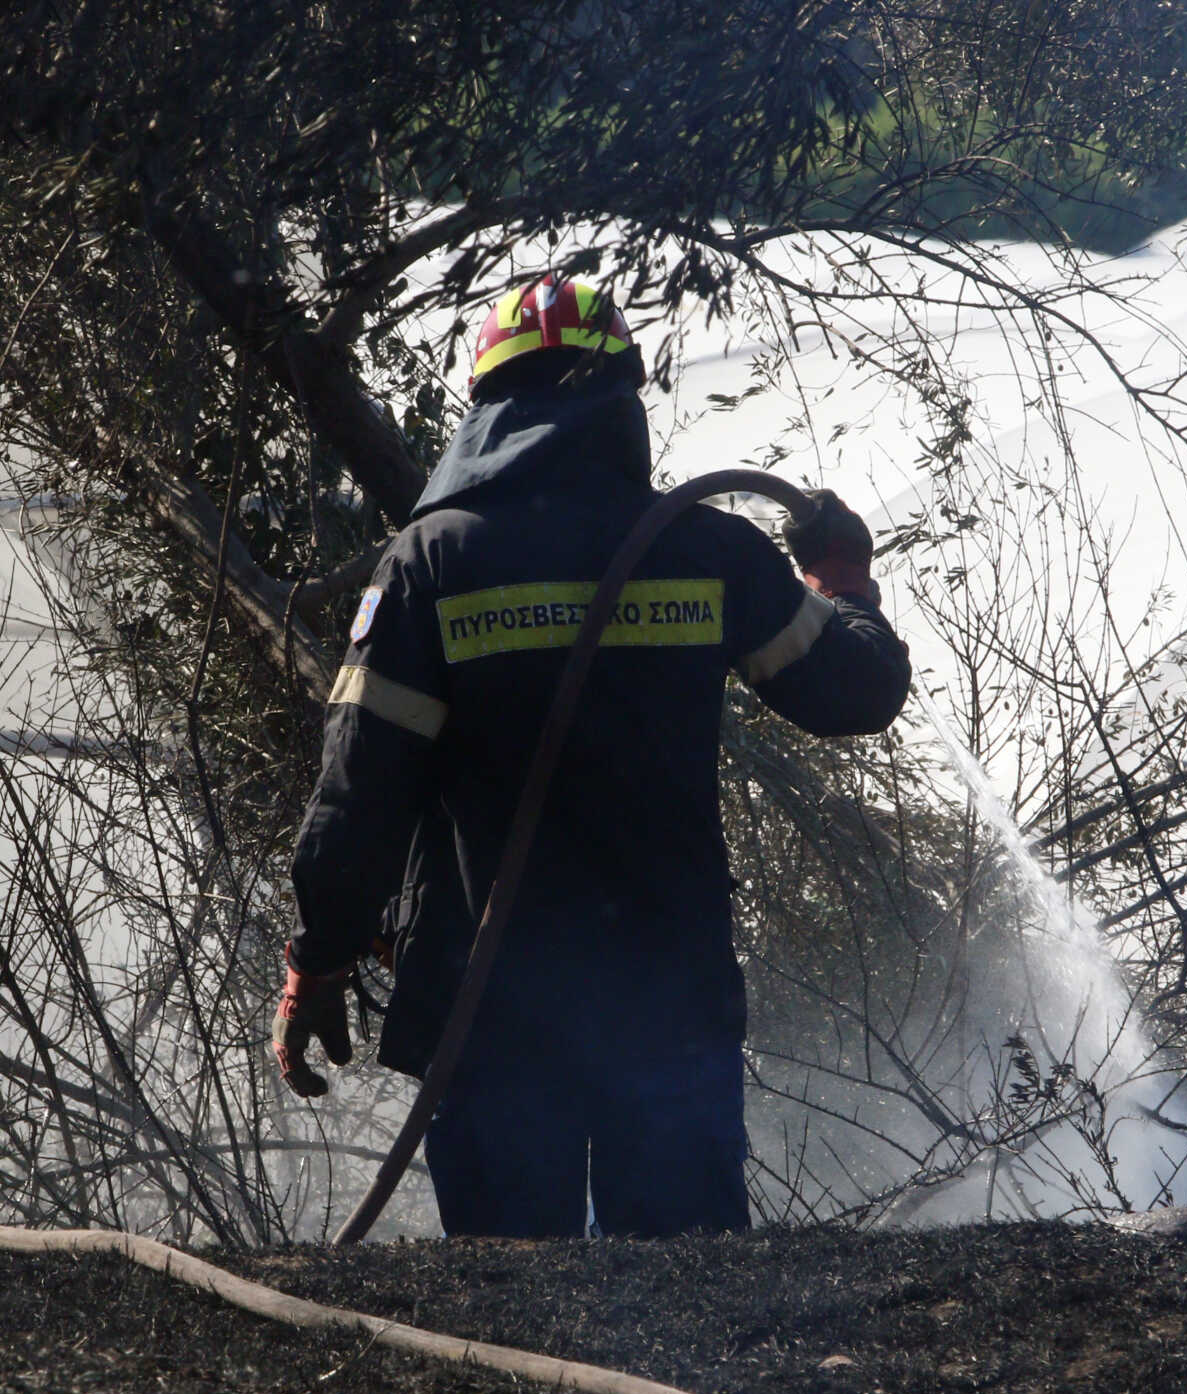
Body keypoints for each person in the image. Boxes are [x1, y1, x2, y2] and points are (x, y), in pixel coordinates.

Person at [271, 271, 910, 1237]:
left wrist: (314, 967)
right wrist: (842, 577)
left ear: (488, 404)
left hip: (492, 1019)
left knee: (516, 1327)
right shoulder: (704, 551)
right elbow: (856, 690)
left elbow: (361, 793)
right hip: (666, 1005)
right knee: (692, 1299)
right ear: (622, 403)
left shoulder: (430, 563)